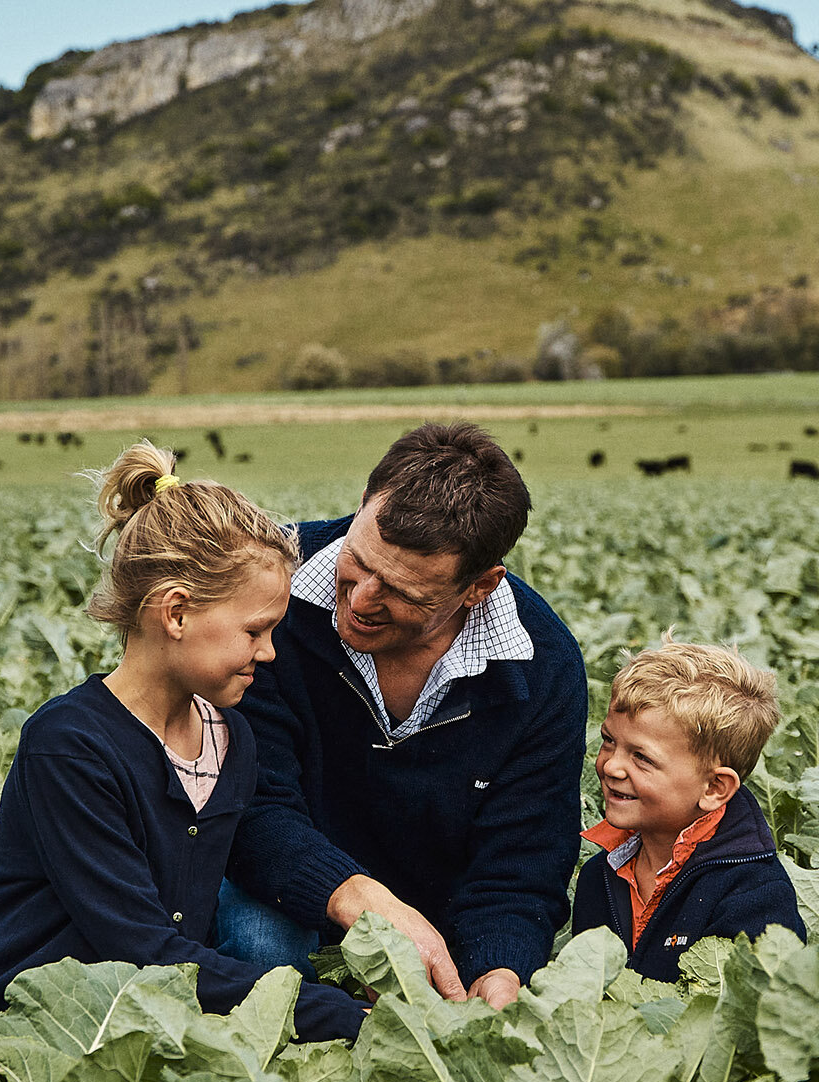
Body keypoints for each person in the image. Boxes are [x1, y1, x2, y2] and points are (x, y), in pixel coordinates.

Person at [0, 443, 366, 1041]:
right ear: (177, 613)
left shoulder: (231, 739)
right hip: (10, 1013)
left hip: (136, 1009)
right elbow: (137, 945)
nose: (269, 653)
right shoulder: (68, 746)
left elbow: (171, 945)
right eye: (255, 630)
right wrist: (332, 1015)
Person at [221, 421, 588, 1009]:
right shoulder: (268, 597)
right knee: (264, 950)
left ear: (480, 587)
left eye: (405, 594)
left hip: (437, 920)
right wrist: (357, 899)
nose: (361, 599)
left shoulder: (541, 667)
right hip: (281, 882)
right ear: (364, 504)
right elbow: (248, 804)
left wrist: (497, 968)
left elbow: (521, 865)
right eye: (358, 562)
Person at [570, 637, 804, 976]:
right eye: (609, 741)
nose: (610, 767)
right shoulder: (598, 877)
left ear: (714, 788)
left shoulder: (756, 897)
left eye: (641, 757)